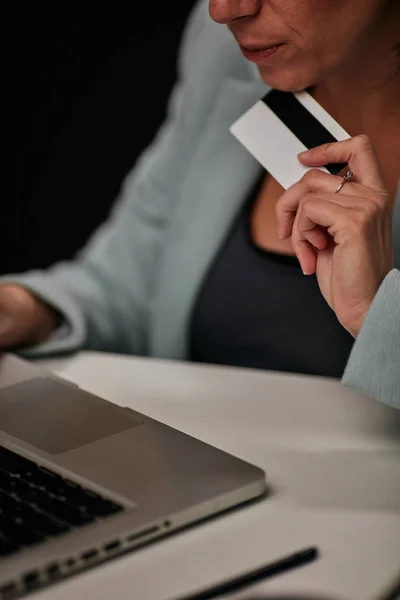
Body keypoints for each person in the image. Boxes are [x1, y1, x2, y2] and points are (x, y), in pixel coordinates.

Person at [2, 0, 399, 407]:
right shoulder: (228, 52)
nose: (223, 10)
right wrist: (23, 309)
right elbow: (131, 286)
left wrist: (374, 317)